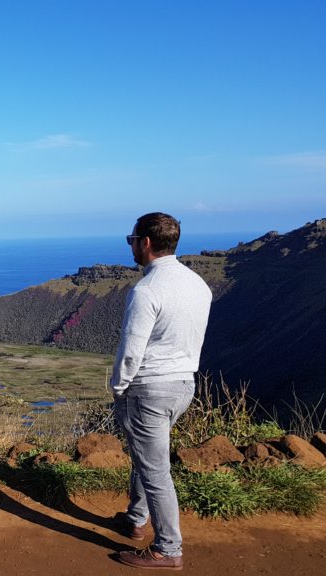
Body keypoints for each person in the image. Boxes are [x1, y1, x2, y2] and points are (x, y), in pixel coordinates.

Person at [110, 212, 212, 570]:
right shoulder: (198, 283)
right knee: (147, 455)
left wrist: (119, 386)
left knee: (155, 470)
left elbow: (131, 347)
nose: (131, 246)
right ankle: (136, 520)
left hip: (149, 388)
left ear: (146, 243)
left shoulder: (147, 289)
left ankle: (168, 549)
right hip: (184, 383)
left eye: (132, 240)